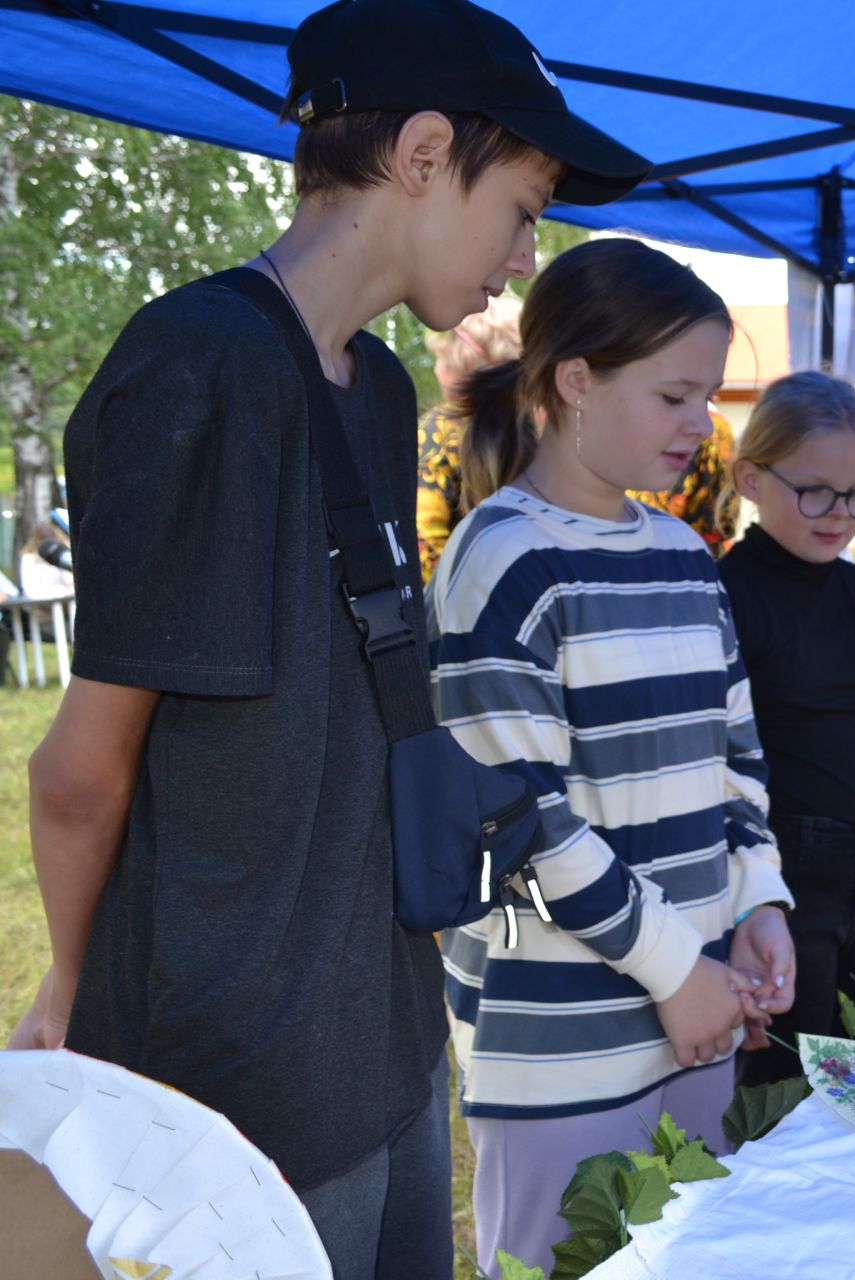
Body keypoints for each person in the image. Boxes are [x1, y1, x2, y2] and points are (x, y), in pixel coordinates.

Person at [8, 2, 649, 1275]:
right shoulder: (195, 368)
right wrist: (72, 992)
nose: (527, 258)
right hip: (236, 1069)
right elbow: (81, 768)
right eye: (522, 207)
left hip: (387, 1024)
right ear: (420, 155)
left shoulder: (381, 383)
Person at [429, 237, 795, 1278]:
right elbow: (523, 819)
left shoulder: (686, 556)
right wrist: (681, 970)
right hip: (562, 1050)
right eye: (676, 394)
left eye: (710, 393)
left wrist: (759, 901)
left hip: (705, 1013)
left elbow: (738, 760)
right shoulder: (503, 561)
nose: (704, 423)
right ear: (575, 381)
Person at [720, 371, 855, 1084]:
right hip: (781, 880)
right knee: (785, 1084)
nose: (840, 513)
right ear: (751, 480)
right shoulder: (722, 599)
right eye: (815, 490)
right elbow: (712, 774)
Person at [417, 290, 524, 578]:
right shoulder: (538, 424)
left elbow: (423, 541)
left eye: (439, 358)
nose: (437, 370)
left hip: (464, 602)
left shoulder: (440, 428)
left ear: (462, 360)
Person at [637, 409, 741, 556]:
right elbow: (722, 514)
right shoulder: (713, 426)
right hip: (686, 550)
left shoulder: (631, 419)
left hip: (636, 541)